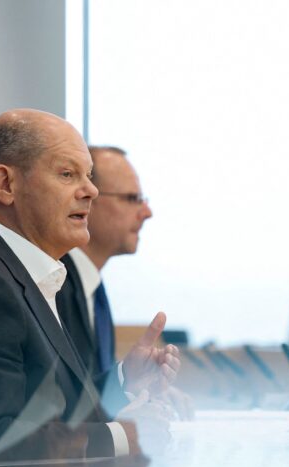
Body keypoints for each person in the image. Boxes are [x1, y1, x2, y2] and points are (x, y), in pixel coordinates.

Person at [0, 109, 177, 459]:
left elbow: (58, 410)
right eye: (67, 174)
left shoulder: (18, 276)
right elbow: (3, 443)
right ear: (4, 185)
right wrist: (125, 437)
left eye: (89, 176)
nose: (91, 190)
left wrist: (124, 380)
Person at [55, 146, 192, 417]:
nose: (147, 212)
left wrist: (138, 393)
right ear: (87, 200)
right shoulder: (54, 287)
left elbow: (86, 400)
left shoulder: (93, 287)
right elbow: (59, 411)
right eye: (132, 199)